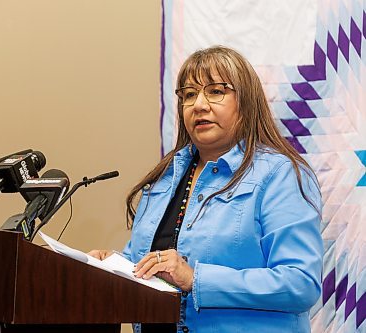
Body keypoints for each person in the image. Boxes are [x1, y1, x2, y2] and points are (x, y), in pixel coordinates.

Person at [89, 46, 323, 333]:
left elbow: (300, 283)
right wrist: (111, 264)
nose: (198, 104)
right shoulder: (165, 178)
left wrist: (195, 279)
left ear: (246, 103)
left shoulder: (279, 174)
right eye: (188, 94)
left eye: (215, 91)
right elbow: (148, 262)